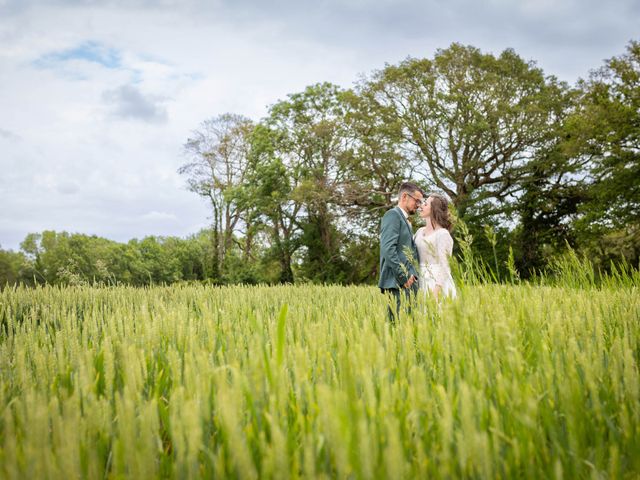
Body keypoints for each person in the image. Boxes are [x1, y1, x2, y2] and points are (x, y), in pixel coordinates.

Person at [378, 182, 424, 322]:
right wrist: (404, 277)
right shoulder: (392, 215)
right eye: (417, 200)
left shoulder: (404, 219)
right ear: (405, 196)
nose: (419, 205)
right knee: (396, 328)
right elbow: (388, 248)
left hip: (407, 284)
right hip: (397, 283)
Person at [414, 193, 457, 299]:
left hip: (437, 284)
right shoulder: (419, 232)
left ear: (434, 209)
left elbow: (445, 266)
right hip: (420, 281)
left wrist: (436, 292)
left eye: (426, 204)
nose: (421, 206)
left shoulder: (442, 234)